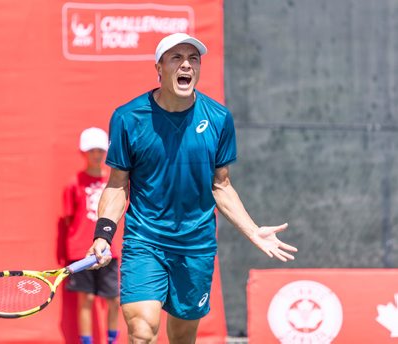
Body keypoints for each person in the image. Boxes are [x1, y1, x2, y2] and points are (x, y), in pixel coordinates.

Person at [88, 33, 298, 343]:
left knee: (183, 336)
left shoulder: (218, 119)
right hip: (145, 241)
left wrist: (253, 231)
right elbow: (118, 185)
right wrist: (103, 235)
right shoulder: (128, 118)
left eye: (193, 59)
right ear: (159, 68)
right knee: (142, 331)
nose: (186, 64)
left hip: (196, 246)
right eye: (176, 58)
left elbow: (221, 185)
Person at [59, 127, 120, 344]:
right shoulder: (73, 184)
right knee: (87, 299)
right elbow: (69, 218)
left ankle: (112, 340)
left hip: (108, 251)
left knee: (114, 299)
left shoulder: (113, 183)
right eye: (92, 150)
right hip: (80, 252)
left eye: (100, 151)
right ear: (84, 152)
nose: (97, 155)